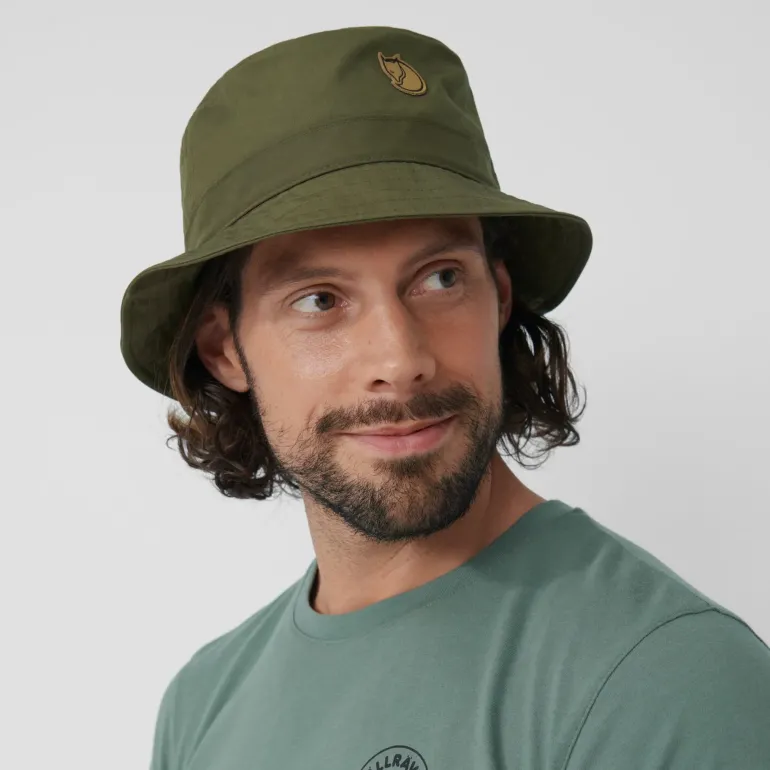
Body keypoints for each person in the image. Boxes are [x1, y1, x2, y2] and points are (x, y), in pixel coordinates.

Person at [120, 26, 770, 770]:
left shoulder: (666, 678)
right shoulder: (201, 704)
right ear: (224, 349)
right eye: (320, 299)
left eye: (440, 279)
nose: (401, 361)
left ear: (499, 297)